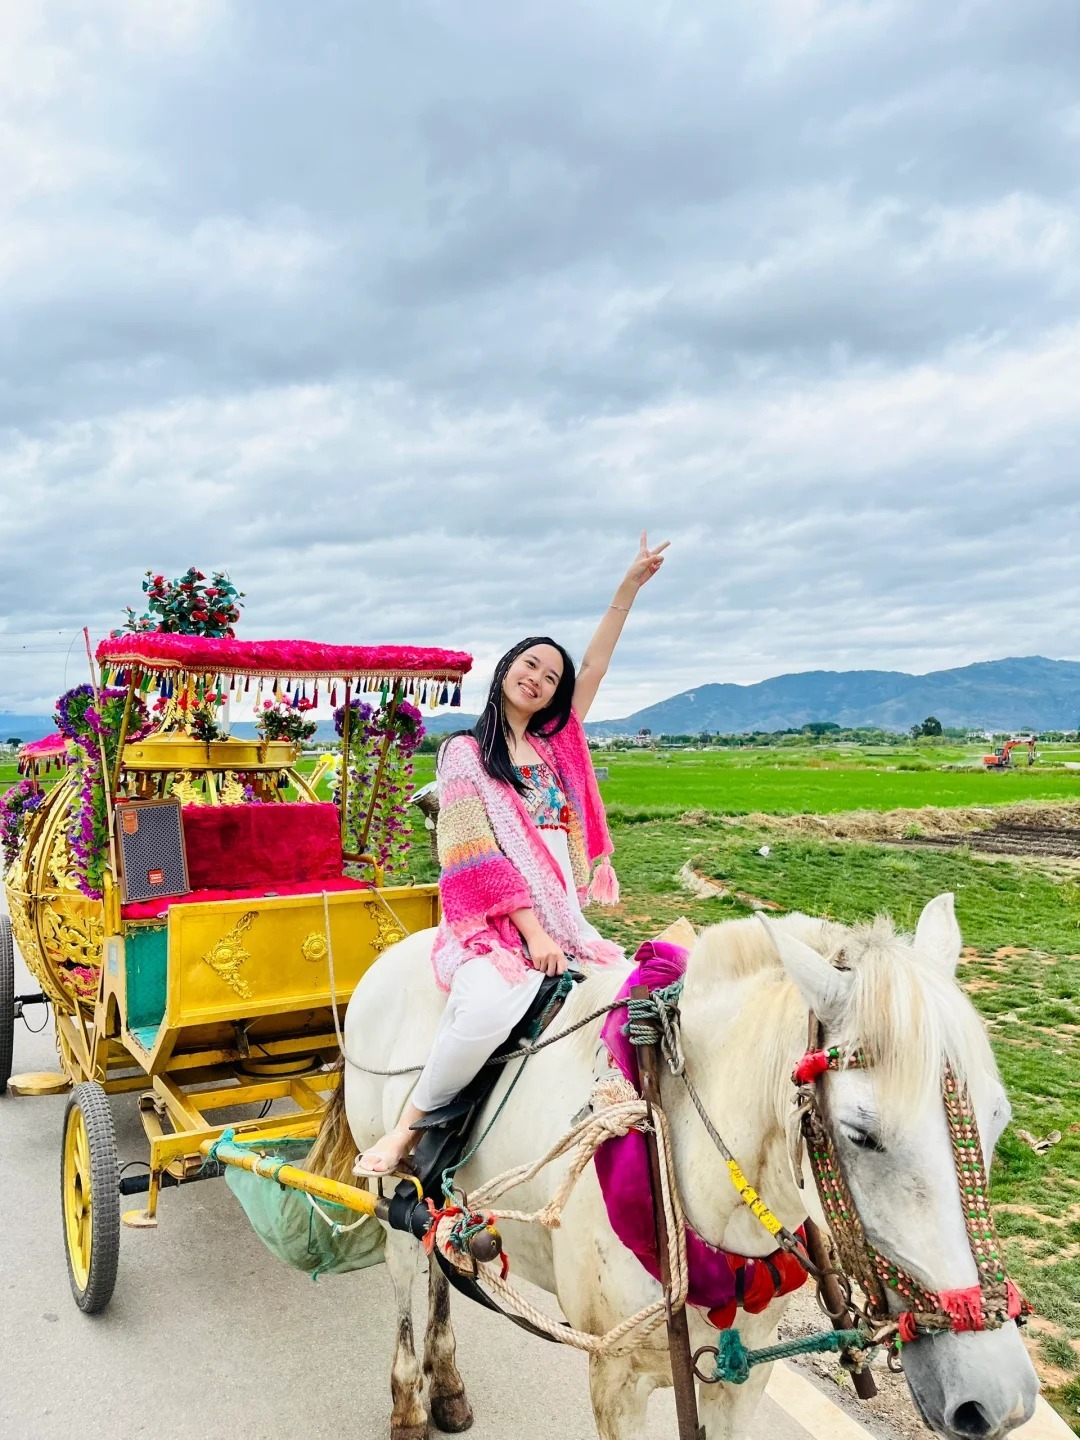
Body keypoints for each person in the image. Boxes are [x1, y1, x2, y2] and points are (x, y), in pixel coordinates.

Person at [357, 532, 670, 1174]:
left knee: (624, 996)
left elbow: (595, 666)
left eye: (551, 678)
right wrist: (530, 932)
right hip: (498, 923)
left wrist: (628, 589)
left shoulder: (557, 746)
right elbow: (474, 856)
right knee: (484, 1009)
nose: (539, 679)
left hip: (563, 917)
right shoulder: (464, 754)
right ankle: (407, 1131)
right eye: (530, 665)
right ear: (506, 669)